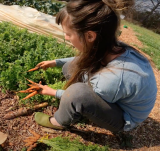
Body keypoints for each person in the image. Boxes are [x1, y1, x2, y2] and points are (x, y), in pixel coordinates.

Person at [34, 0, 157, 132]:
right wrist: (56, 62)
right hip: (114, 93)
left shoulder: (113, 78)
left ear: (90, 36)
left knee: (77, 93)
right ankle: (79, 106)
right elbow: (83, 58)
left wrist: (52, 92)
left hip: (123, 118)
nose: (66, 38)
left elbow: (79, 95)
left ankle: (58, 122)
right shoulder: (111, 46)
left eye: (68, 34)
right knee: (69, 67)